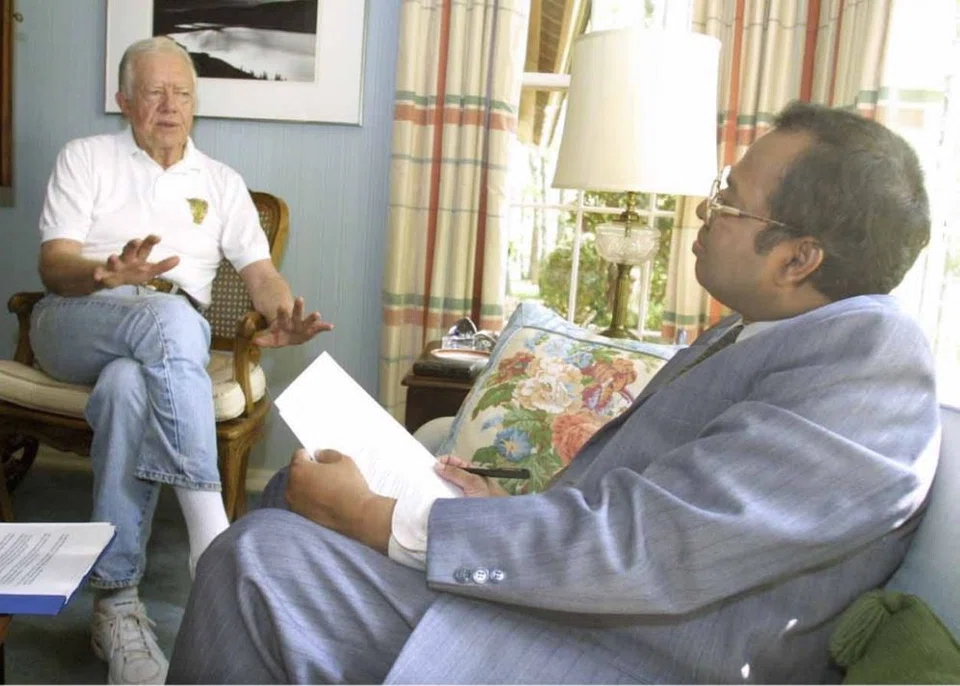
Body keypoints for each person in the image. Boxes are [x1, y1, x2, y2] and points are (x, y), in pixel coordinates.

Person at [168, 102, 941, 684]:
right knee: (286, 500)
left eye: (728, 201)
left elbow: (655, 549)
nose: (702, 214)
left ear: (799, 257)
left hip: (629, 656)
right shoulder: (755, 330)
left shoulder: (871, 361)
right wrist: (490, 512)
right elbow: (653, 509)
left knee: (261, 562)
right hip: (593, 611)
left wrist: (384, 519)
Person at [30, 37, 333, 685]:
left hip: (165, 343)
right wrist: (104, 271)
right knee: (170, 319)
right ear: (124, 101)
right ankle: (212, 534)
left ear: (195, 103)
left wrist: (282, 313)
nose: (169, 105)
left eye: (182, 92)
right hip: (78, 317)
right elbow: (53, 266)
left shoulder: (218, 183)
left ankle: (116, 604)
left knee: (127, 390)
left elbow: (259, 273)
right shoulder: (85, 159)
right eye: (153, 92)